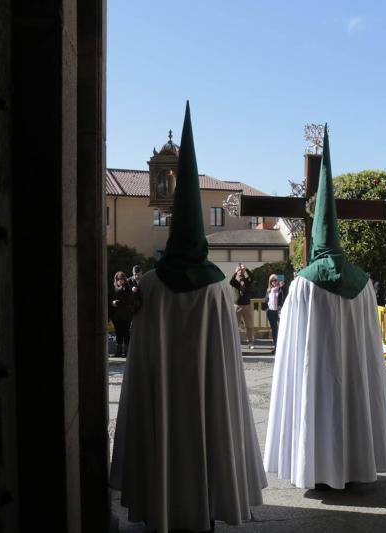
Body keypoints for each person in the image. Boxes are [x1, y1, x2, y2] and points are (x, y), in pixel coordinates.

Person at [110, 102, 266, 531]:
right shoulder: (217, 286)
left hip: (161, 393)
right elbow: (226, 364)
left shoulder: (152, 283)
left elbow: (141, 355)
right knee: (209, 422)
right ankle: (207, 504)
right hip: (203, 395)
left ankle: (158, 505)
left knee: (160, 426)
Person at [263, 127, 386, 489]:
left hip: (314, 368)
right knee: (353, 396)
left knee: (316, 404)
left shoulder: (304, 283)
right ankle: (354, 467)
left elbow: (290, 342)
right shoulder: (363, 281)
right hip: (352, 367)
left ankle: (316, 468)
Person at [110, 271, 135, 358]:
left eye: (121, 279)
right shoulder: (114, 288)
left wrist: (117, 302)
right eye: (118, 279)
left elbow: (129, 301)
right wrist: (112, 303)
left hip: (126, 315)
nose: (120, 281)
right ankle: (119, 352)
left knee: (126, 333)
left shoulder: (127, 288)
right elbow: (110, 298)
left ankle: (127, 352)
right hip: (117, 316)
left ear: (124, 279)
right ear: (116, 280)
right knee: (118, 334)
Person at [230, 263, 255, 349]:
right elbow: (231, 281)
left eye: (241, 271)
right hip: (237, 306)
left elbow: (252, 277)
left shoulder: (247, 280)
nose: (240, 272)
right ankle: (235, 343)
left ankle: (250, 342)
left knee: (249, 326)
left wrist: (246, 269)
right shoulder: (235, 281)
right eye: (239, 271)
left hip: (246, 306)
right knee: (235, 326)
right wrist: (235, 272)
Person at [265, 274, 285, 350]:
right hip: (270, 312)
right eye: (272, 281)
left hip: (279, 311)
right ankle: (276, 347)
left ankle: (282, 348)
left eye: (275, 280)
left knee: (282, 329)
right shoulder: (269, 290)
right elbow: (266, 300)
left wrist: (282, 287)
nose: (273, 282)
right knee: (274, 330)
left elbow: (283, 298)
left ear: (277, 281)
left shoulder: (280, 289)